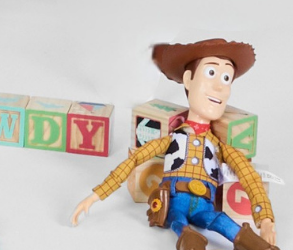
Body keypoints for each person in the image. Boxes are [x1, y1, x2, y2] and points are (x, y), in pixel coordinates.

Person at [71, 40, 275, 246]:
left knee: (221, 221)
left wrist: (265, 220)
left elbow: (250, 178)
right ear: (188, 79)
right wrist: (95, 196)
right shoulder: (172, 139)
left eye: (226, 78)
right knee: (178, 221)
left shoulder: (221, 148)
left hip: (206, 205)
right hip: (175, 199)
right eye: (211, 73)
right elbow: (134, 160)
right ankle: (189, 240)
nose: (219, 87)